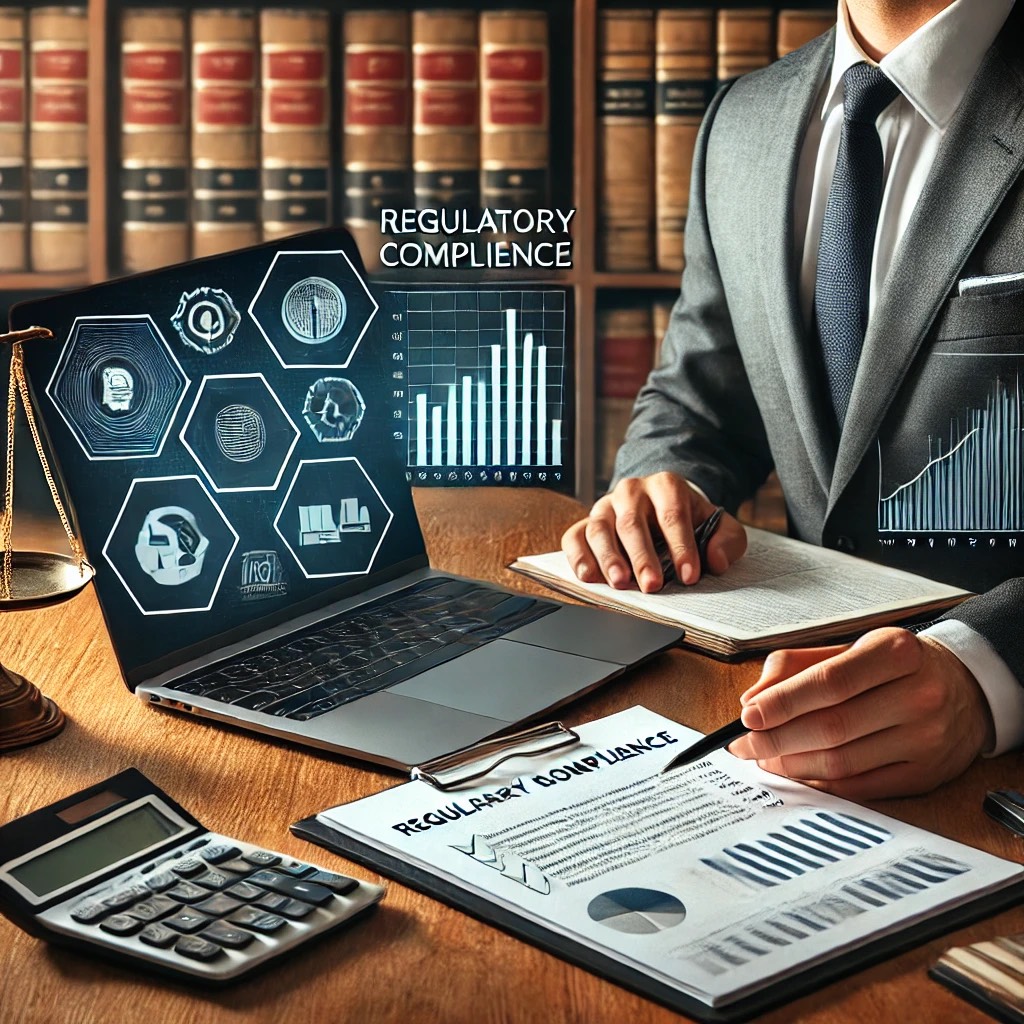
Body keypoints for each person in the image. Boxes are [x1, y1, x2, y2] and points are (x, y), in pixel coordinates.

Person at [563, 0, 1024, 799]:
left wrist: (989, 671)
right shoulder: (745, 120)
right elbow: (703, 394)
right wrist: (664, 485)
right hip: (779, 736)